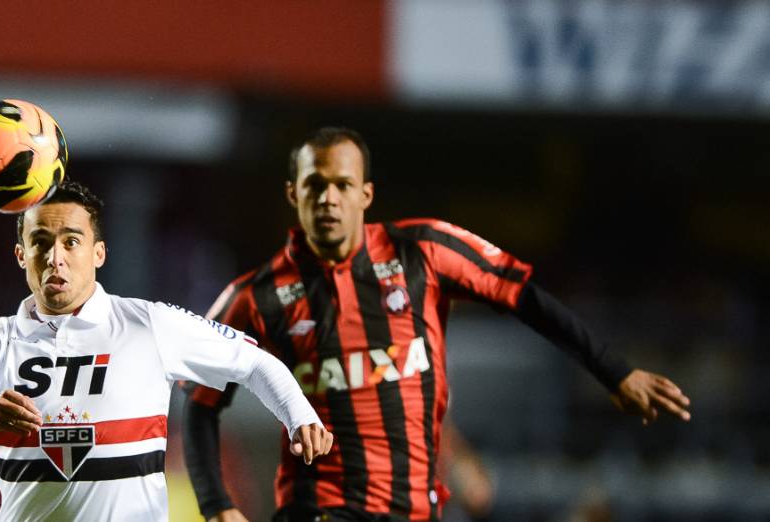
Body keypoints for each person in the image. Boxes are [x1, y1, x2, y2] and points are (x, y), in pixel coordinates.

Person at [182, 127, 692, 522]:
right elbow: (199, 401)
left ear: (366, 194)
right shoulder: (257, 296)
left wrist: (614, 372)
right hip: (318, 507)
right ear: (294, 194)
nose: (329, 199)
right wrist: (216, 503)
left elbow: (522, 297)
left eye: (343, 185)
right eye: (316, 185)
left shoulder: (422, 251)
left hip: (414, 508)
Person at [0, 181, 333, 522]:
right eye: (41, 243)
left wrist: (300, 416)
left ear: (98, 252)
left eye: (71, 242)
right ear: (21, 255)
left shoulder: (148, 324)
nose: (55, 258)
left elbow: (254, 362)